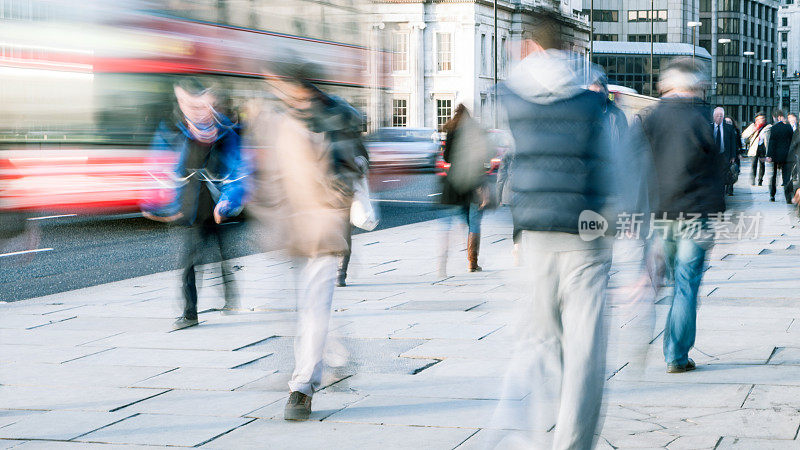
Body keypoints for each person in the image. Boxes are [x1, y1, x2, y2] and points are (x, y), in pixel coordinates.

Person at [491, 10, 615, 448]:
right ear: (568, 46)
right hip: (586, 236)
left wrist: (517, 232)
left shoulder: (512, 96)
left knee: (545, 339)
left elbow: (514, 165)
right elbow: (610, 170)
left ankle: (518, 431)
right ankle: (572, 442)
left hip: (535, 234)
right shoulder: (591, 100)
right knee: (584, 351)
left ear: (530, 45)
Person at [246, 58, 366, 421]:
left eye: (276, 82)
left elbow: (358, 162)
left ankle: (302, 388)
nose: (273, 89)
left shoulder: (336, 115)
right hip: (287, 226)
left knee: (313, 308)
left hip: (322, 225)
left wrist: (336, 189)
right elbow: (269, 172)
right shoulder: (275, 117)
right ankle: (334, 353)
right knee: (296, 309)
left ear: (293, 84)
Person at [637, 58, 725, 374]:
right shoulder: (705, 119)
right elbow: (718, 171)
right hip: (696, 215)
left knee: (673, 280)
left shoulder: (650, 118)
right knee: (686, 286)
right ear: (696, 85)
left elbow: (638, 167)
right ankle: (676, 355)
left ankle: (672, 350)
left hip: (661, 215)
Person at [143, 78, 249, 330]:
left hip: (216, 208)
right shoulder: (172, 129)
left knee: (222, 256)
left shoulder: (226, 133)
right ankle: (190, 314)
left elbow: (239, 171)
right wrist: (153, 200)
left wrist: (228, 202)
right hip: (189, 208)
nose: (193, 109)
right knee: (189, 263)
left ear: (211, 102)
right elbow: (158, 166)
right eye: (186, 103)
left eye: (200, 104)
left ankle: (230, 296)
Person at [438, 103, 492, 274]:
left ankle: (443, 263)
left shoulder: (452, 130)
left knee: (458, 221)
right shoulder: (476, 129)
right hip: (475, 181)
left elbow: (446, 158)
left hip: (455, 183)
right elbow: (486, 155)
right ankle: (472, 262)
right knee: (474, 223)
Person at [766, 110, 795, 203]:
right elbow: (792, 141)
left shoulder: (774, 128)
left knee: (774, 176)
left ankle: (772, 195)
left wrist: (769, 155)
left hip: (775, 156)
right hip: (787, 156)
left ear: (777, 117)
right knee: (786, 177)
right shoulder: (788, 127)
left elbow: (771, 142)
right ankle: (788, 197)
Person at [712, 107, 739, 196]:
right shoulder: (709, 127)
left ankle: (722, 191)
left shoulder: (729, 128)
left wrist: (733, 156)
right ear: (713, 116)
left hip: (725, 155)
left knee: (724, 175)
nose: (719, 117)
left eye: (721, 115)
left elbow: (733, 143)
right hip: (713, 156)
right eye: (717, 115)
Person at [742, 112, 768, 186]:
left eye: (763, 118)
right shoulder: (753, 126)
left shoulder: (767, 126)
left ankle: (760, 180)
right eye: (759, 119)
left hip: (763, 148)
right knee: (754, 164)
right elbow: (744, 135)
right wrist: (754, 130)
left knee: (762, 165)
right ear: (756, 119)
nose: (761, 120)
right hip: (754, 148)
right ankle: (753, 180)